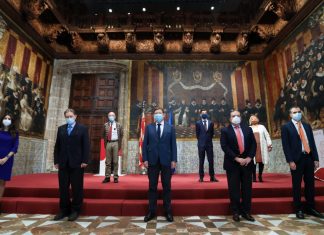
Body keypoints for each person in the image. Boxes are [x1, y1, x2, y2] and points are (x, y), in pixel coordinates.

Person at [281, 106, 324, 219]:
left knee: (310, 184)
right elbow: (286, 146)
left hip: (309, 158)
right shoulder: (286, 127)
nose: (298, 114)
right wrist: (290, 161)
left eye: (299, 112)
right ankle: (298, 209)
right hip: (296, 160)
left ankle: (311, 208)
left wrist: (315, 158)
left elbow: (312, 143)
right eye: (295, 112)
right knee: (297, 185)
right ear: (290, 114)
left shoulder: (306, 126)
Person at [53, 108, 90, 221]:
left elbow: (86, 146)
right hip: (63, 163)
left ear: (75, 116)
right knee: (63, 188)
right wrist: (56, 161)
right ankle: (64, 210)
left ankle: (75, 210)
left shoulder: (82, 129)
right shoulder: (61, 129)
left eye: (70, 116)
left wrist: (85, 160)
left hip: (77, 163)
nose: (69, 118)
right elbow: (57, 146)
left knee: (77, 188)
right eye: (67, 117)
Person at [220, 110, 256, 222]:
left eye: (238, 116)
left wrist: (249, 158)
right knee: (234, 189)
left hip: (247, 163)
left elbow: (253, 144)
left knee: (247, 189)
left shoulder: (248, 129)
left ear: (241, 118)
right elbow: (224, 146)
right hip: (232, 164)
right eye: (233, 116)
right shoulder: (225, 130)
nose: (236, 117)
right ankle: (235, 211)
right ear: (230, 118)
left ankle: (246, 211)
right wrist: (236, 158)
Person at [142, 107, 177, 222]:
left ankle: (168, 211)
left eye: (159, 113)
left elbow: (173, 145)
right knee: (152, 187)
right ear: (153, 116)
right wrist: (145, 159)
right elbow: (144, 144)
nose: (157, 115)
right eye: (155, 113)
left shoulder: (170, 127)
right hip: (152, 161)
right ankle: (152, 211)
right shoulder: (149, 127)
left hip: (166, 160)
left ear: (164, 115)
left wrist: (174, 160)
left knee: (167, 187)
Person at [0, 114, 19, 213]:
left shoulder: (15, 133)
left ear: (12, 121)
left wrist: (6, 158)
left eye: (9, 119)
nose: (7, 120)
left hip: (7, 160)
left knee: (2, 182)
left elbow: (15, 147)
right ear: (2, 119)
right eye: (5, 118)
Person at [195, 109, 218, 182]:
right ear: (200, 114)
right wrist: (201, 141)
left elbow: (211, 134)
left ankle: (212, 177)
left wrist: (207, 140)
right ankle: (201, 177)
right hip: (201, 145)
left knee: (211, 161)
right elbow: (197, 134)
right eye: (203, 113)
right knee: (201, 161)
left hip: (209, 145)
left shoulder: (211, 123)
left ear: (207, 114)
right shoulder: (198, 123)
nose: (204, 114)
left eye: (205, 113)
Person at [249, 115, 272, 182]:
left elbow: (267, 135)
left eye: (254, 117)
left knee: (261, 162)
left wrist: (269, 145)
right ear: (250, 121)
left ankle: (260, 175)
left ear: (257, 119)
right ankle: (254, 177)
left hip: (261, 146)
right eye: (252, 118)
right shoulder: (249, 128)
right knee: (253, 162)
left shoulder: (262, 127)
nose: (253, 119)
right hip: (253, 147)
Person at [102, 112, 123, 183]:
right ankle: (107, 177)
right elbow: (103, 135)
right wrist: (105, 144)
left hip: (116, 143)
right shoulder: (105, 125)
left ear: (115, 116)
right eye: (110, 115)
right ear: (108, 117)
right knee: (108, 161)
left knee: (115, 161)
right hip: (108, 143)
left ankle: (115, 177)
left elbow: (121, 135)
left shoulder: (119, 125)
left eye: (112, 115)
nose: (111, 116)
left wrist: (119, 144)